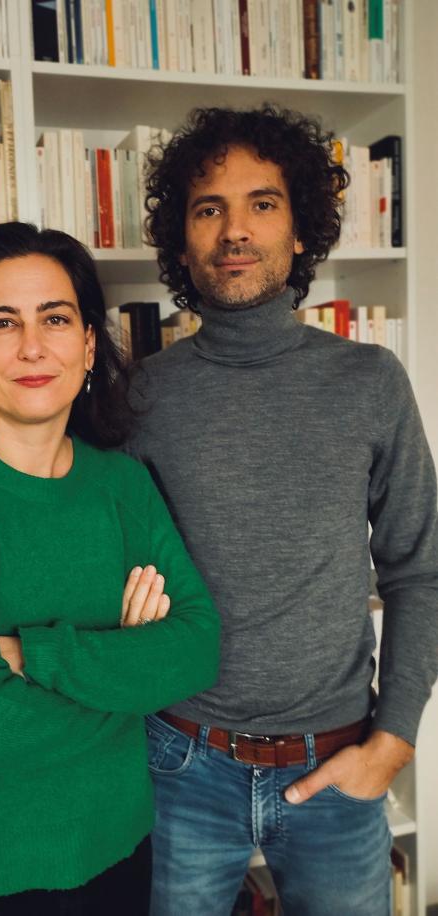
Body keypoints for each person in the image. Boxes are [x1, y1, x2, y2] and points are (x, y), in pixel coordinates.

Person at [127, 105, 438, 915]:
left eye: (262, 203)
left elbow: (421, 570)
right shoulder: (143, 396)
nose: (235, 229)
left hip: (338, 764)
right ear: (182, 242)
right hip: (181, 765)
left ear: (300, 231)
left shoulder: (370, 381)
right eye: (209, 208)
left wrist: (394, 742)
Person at [0, 222, 221, 915]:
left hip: (118, 851)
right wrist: (127, 679)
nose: (32, 346)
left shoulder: (123, 485)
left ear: (88, 345)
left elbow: (197, 649)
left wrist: (37, 656)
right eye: (3, 323)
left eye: (56, 319)